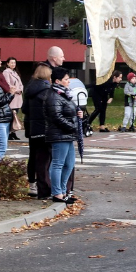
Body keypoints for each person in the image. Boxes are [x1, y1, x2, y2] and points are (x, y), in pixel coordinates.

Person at [46, 66, 83, 203]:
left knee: (69, 163)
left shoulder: (64, 94)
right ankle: (57, 193)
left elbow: (67, 112)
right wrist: (72, 127)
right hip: (59, 134)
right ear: (58, 81)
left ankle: (63, 190)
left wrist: (78, 114)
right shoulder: (54, 96)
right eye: (66, 79)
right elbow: (56, 116)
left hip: (67, 134)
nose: (68, 81)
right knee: (58, 163)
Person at [23, 63, 53, 199]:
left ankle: (32, 183)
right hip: (44, 128)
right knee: (45, 159)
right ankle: (45, 186)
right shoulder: (47, 90)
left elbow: (24, 109)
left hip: (32, 127)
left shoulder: (30, 88)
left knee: (33, 156)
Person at [2, 57, 25, 140]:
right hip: (12, 97)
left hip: (18, 97)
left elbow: (21, 84)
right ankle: (9, 133)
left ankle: (13, 132)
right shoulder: (6, 72)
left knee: (15, 116)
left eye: (14, 63)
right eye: (11, 63)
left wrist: (21, 90)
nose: (13, 64)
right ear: (7, 63)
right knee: (11, 116)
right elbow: (7, 84)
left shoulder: (15, 72)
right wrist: (17, 90)